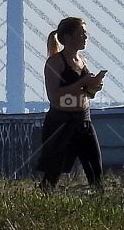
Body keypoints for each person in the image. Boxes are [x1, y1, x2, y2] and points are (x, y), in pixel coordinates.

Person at [37, 16, 107, 190]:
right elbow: (54, 96)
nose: (85, 37)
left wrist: (94, 86)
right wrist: (81, 84)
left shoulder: (82, 61)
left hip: (83, 120)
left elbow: (87, 94)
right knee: (53, 171)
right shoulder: (55, 62)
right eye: (81, 34)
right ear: (68, 37)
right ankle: (43, 201)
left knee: (95, 169)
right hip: (61, 122)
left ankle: (99, 203)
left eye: (85, 34)